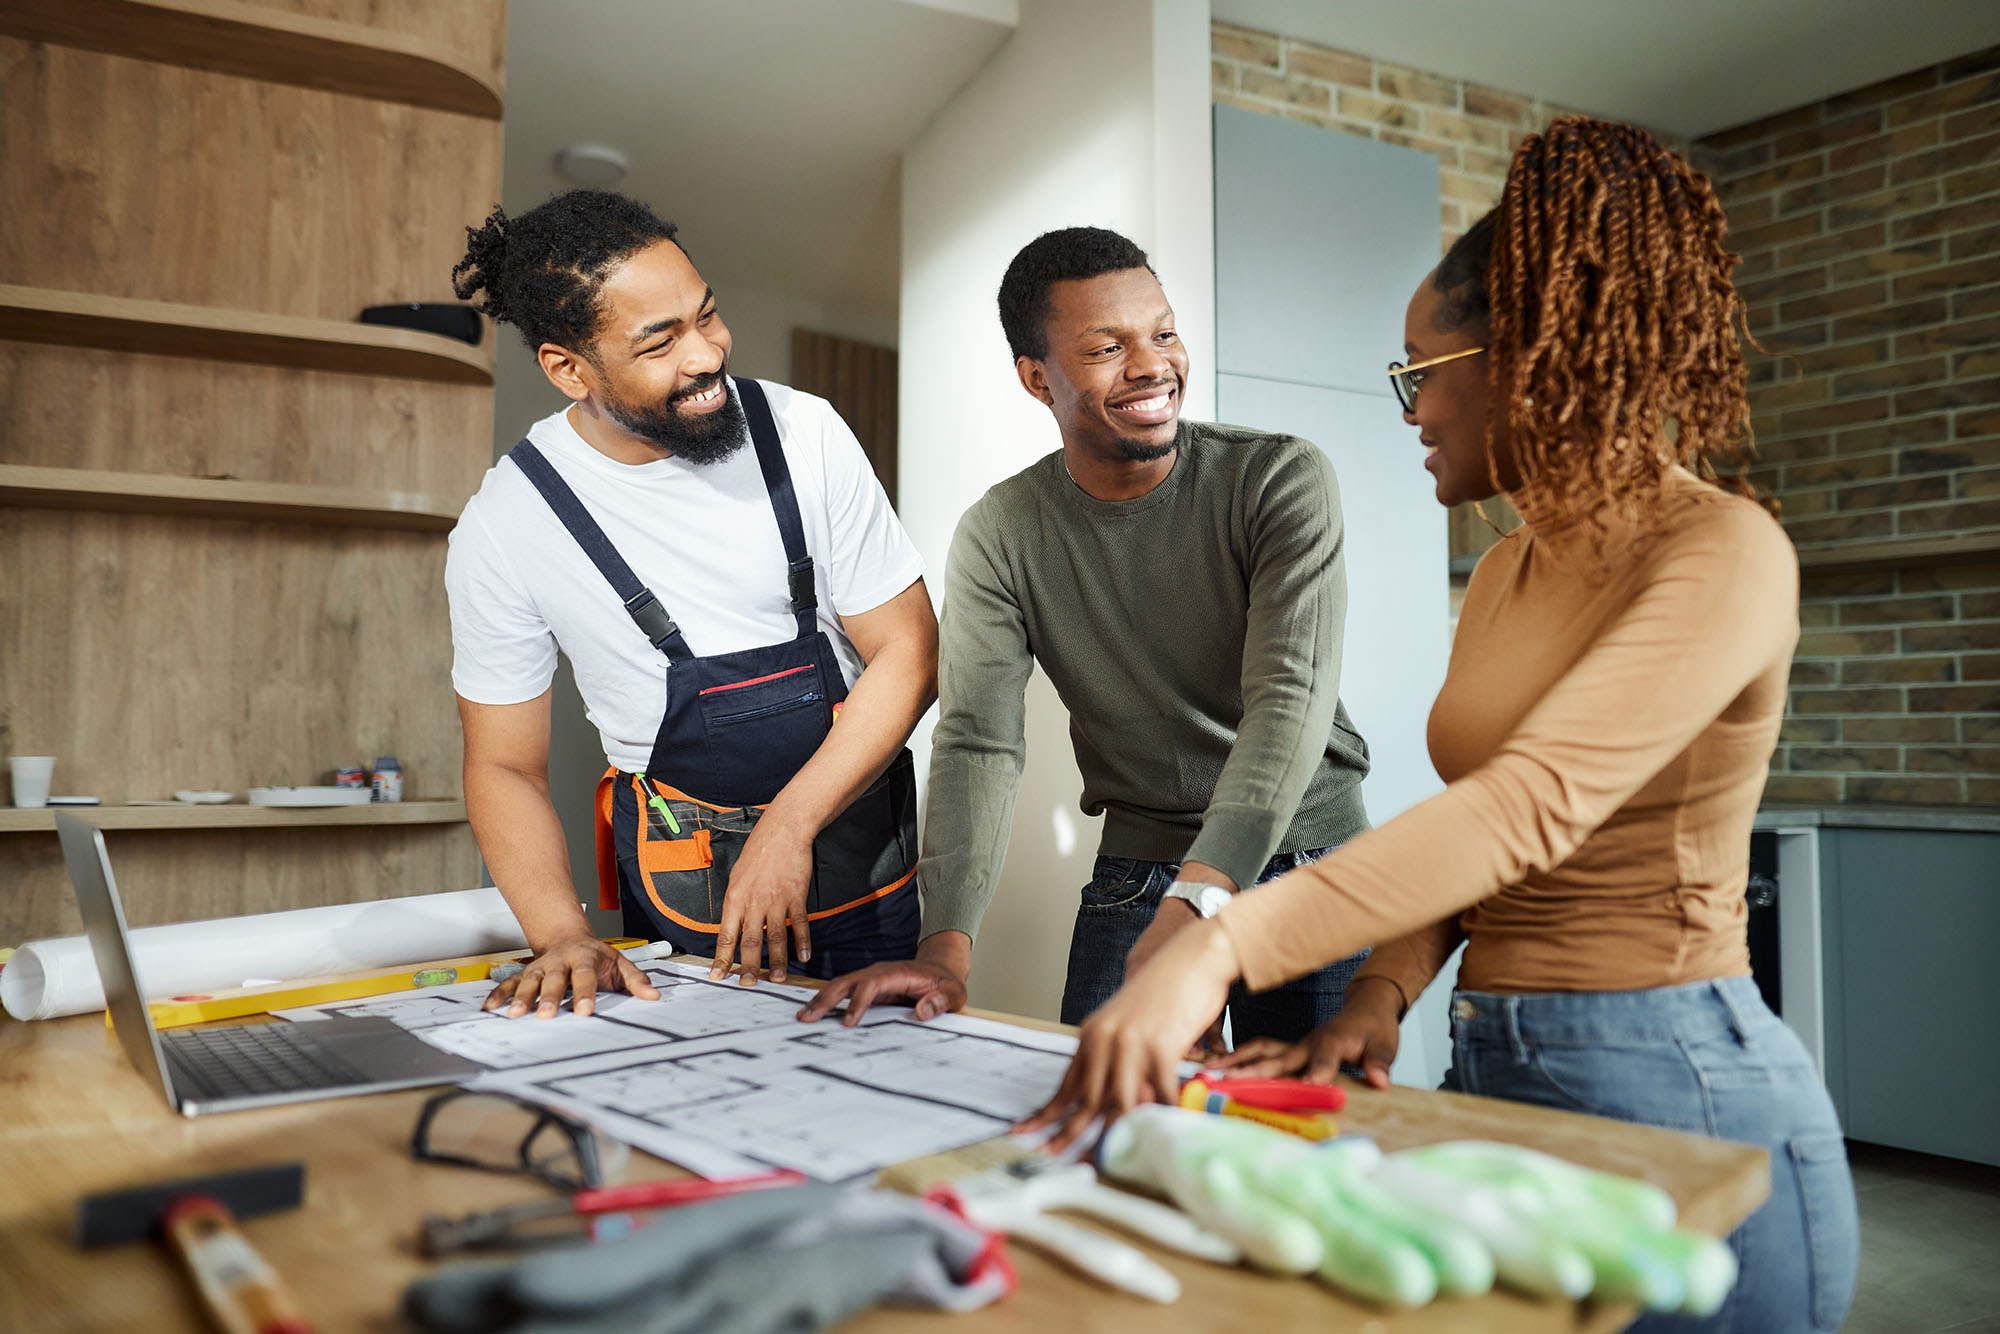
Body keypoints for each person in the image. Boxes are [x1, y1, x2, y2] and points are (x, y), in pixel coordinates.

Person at [1024, 119, 1860, 1333]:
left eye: (1421, 370)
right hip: (1495, 1072)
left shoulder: (1720, 549)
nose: (1409, 407)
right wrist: (1376, 997)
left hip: (1676, 1078)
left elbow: (1531, 806)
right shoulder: (1509, 574)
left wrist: (1217, 943)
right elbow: (1472, 840)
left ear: (1524, 354)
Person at [802, 227, 1373, 1044]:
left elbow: (1289, 700)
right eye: (1108, 346)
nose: (1152, 365)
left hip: (1309, 855)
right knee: (1104, 1121)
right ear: (1038, 378)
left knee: (1312, 1145)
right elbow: (977, 743)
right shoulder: (1002, 531)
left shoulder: (1277, 477)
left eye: (1164, 333)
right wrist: (945, 947)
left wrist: (1200, 900)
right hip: (1141, 867)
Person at [445, 189, 937, 1018]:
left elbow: (909, 653)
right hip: (686, 881)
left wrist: (788, 828)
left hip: (857, 849)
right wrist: (560, 934)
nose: (707, 355)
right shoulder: (509, 523)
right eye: (660, 342)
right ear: (569, 368)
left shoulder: (803, 432)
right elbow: (503, 764)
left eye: (706, 316)